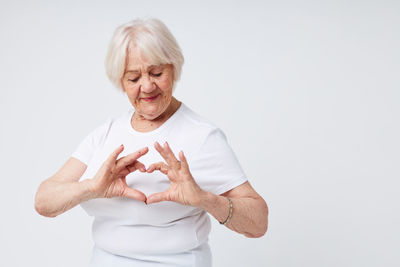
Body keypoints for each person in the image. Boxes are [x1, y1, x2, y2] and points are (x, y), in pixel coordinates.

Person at [34, 18, 269, 267]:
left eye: (157, 73)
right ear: (120, 82)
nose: (147, 86)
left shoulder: (202, 136)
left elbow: (259, 223)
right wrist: (92, 187)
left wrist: (205, 199)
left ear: (174, 68)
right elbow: (44, 201)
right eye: (133, 79)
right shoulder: (106, 133)